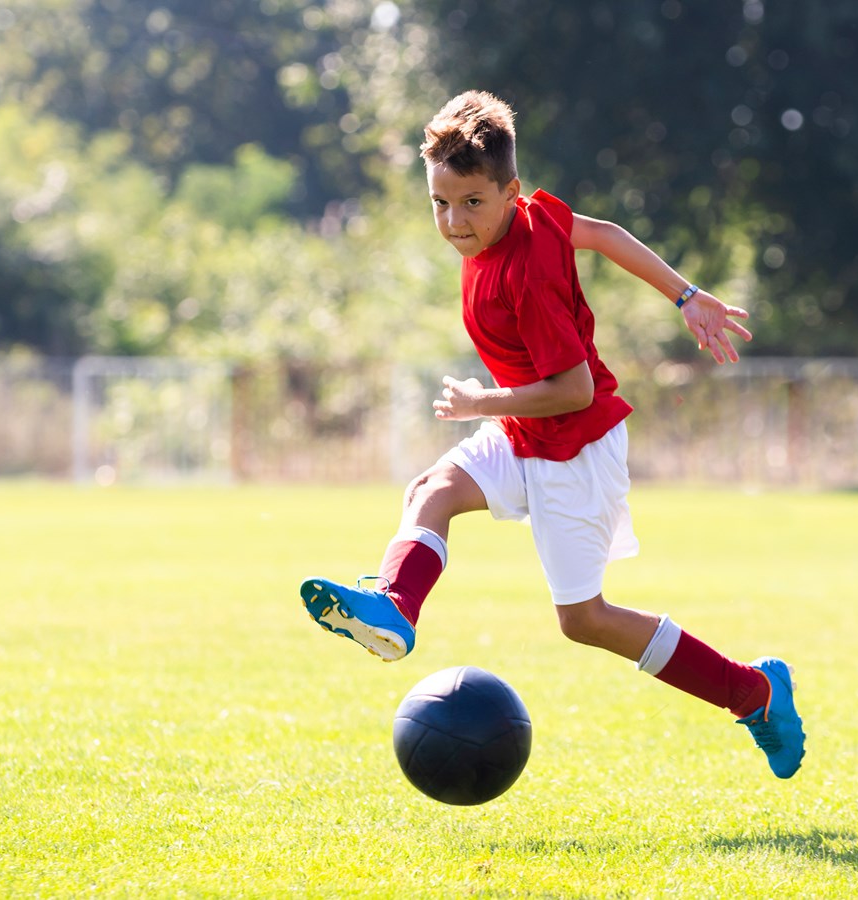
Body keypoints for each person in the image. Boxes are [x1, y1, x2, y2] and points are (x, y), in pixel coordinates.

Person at [299, 90, 805, 779]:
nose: (454, 221)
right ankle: (394, 608)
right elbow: (605, 234)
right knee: (435, 489)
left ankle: (755, 692)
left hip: (575, 447)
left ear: (508, 191)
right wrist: (687, 297)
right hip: (525, 430)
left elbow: (577, 389)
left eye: (472, 202)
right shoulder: (531, 216)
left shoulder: (525, 277)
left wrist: (484, 402)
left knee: (584, 620)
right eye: (440, 203)